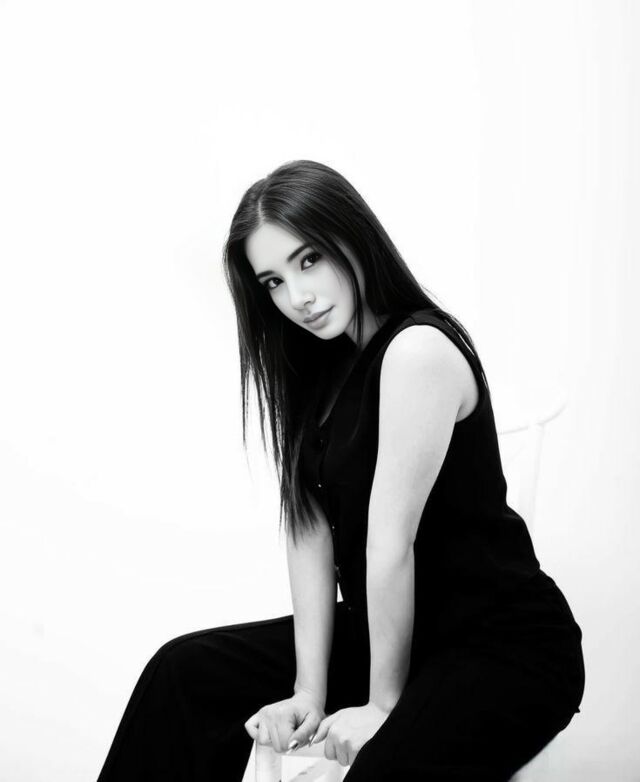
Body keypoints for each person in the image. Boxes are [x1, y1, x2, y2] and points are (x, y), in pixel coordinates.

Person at [96, 160, 585, 781]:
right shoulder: (321, 372)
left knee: (378, 767)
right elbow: (308, 530)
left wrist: (382, 706)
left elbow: (389, 543)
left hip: (500, 646)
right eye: (273, 281)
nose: (297, 297)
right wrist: (309, 690)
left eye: (309, 260)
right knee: (185, 673)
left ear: (351, 237)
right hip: (390, 632)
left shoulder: (416, 352)